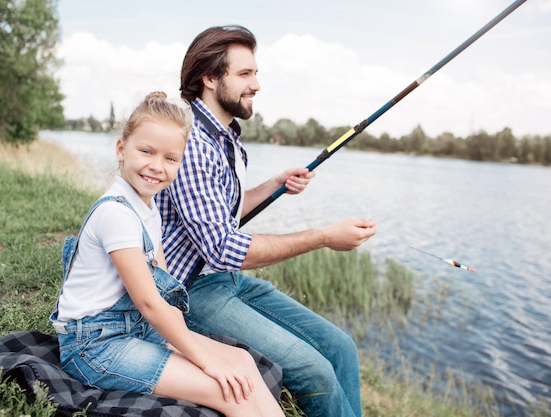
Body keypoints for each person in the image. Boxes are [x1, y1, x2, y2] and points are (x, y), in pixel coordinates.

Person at [155, 26, 377, 417]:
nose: (256, 84)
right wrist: (323, 236)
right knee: (316, 372)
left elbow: (217, 213)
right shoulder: (190, 141)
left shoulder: (223, 137)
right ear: (210, 78)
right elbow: (223, 248)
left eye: (255, 74)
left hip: (222, 279)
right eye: (245, 74)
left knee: (341, 346)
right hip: (189, 291)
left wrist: (272, 186)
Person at [50, 91, 285, 417]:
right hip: (95, 347)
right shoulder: (116, 214)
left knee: (242, 362)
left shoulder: (149, 208)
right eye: (146, 151)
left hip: (135, 331)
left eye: (170, 158)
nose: (156, 167)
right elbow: (149, 303)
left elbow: (164, 291)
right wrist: (207, 362)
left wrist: (196, 347)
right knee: (229, 390)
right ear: (121, 148)